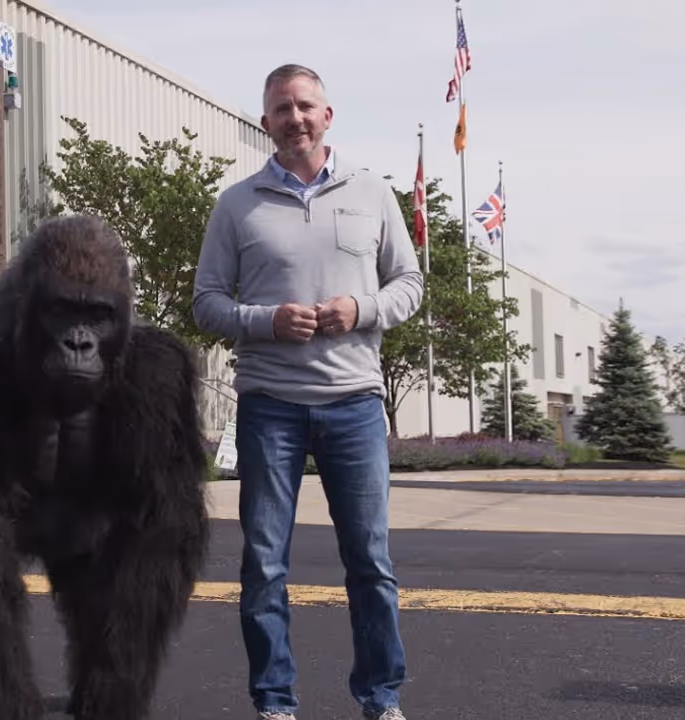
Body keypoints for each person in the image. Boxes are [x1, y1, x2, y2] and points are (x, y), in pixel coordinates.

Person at [192, 64, 424, 720]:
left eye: (305, 106)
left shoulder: (372, 192)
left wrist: (363, 310)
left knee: (371, 564)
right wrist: (264, 320)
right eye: (281, 109)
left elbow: (409, 282)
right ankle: (274, 703)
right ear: (264, 124)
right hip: (270, 407)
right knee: (264, 566)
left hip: (354, 404)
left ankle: (381, 700)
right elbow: (206, 302)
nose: (294, 118)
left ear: (327, 115)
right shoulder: (236, 203)